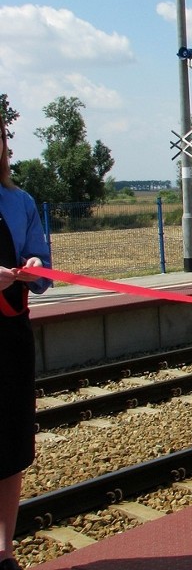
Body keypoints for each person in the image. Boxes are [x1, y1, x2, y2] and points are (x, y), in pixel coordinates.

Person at [0, 113, 52, 570]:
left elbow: (43, 270)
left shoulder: (20, 201)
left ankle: (5, 549)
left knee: (12, 443)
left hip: (9, 336)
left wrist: (34, 266)